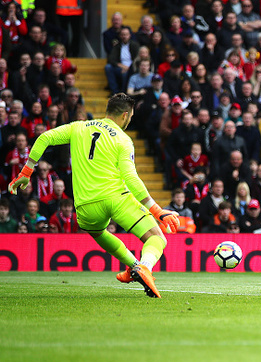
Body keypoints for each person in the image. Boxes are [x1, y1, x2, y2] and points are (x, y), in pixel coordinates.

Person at [8, 93, 179, 299]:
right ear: (125, 115)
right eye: (130, 118)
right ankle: (144, 266)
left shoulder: (78, 127)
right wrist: (157, 211)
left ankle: (133, 266)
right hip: (117, 198)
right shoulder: (123, 140)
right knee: (156, 238)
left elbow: (44, 138)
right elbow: (131, 178)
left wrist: (26, 172)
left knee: (98, 232)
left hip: (86, 206)